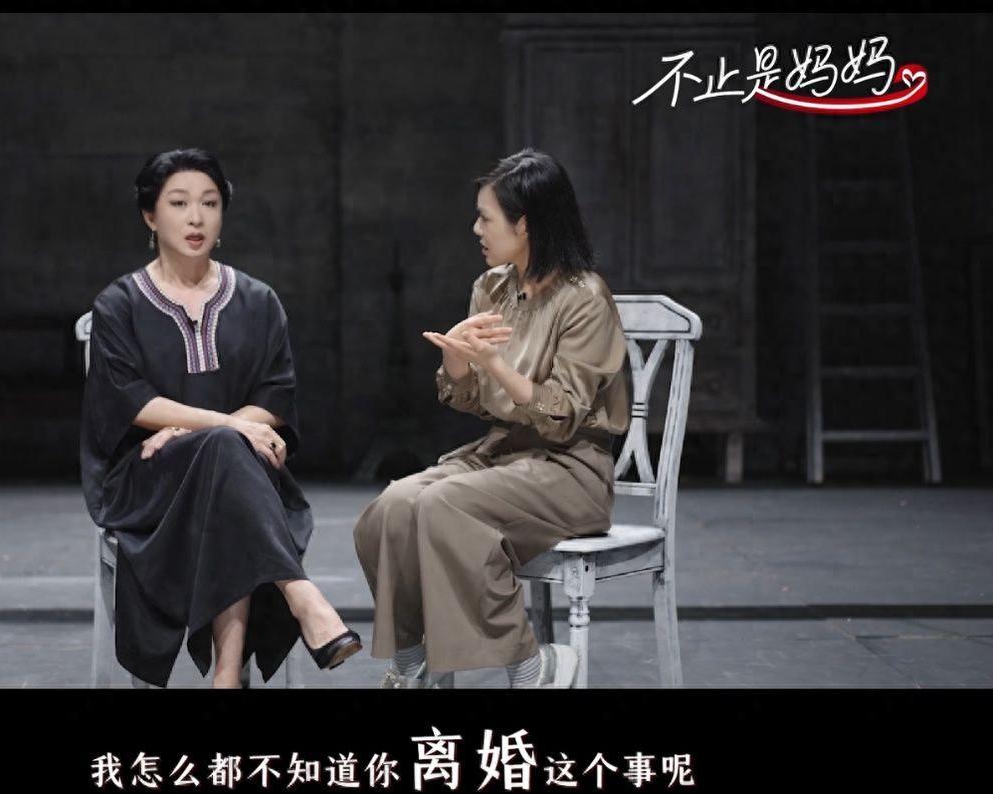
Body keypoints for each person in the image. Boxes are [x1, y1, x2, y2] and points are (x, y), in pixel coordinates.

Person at [80, 147, 361, 689]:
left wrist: (207, 432)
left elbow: (275, 395)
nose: (196, 217)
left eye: (210, 203)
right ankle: (301, 598)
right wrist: (226, 426)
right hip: (147, 481)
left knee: (225, 461)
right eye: (179, 203)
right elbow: (128, 401)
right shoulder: (119, 304)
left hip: (237, 472)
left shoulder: (258, 300)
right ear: (149, 215)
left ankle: (227, 676)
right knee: (228, 453)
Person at [354, 148, 630, 689]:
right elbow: (478, 402)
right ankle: (413, 665)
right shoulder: (492, 288)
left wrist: (497, 365)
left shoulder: (585, 298)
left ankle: (531, 666)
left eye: (486, 218)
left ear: (524, 224)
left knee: (443, 505)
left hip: (571, 470)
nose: (476, 229)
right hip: (504, 457)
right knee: (390, 509)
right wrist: (459, 365)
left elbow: (562, 416)